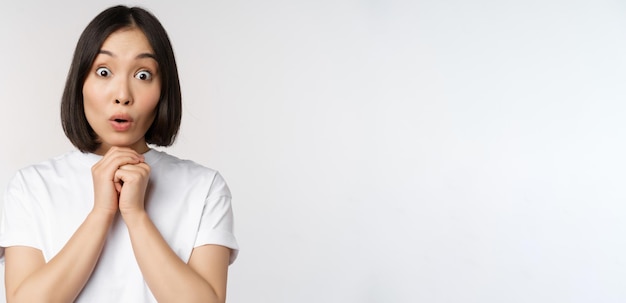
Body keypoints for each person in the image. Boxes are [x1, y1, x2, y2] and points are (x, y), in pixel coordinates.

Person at [0, 5, 238, 303]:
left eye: (142, 74)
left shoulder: (205, 188)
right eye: (103, 72)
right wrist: (101, 213)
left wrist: (136, 216)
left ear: (163, 90)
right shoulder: (31, 187)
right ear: (80, 84)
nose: (122, 94)